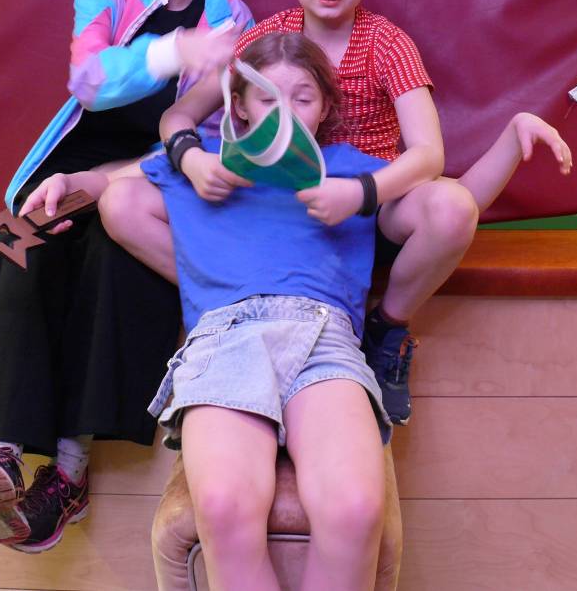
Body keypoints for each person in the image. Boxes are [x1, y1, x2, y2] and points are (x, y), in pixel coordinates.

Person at [102, 0, 571, 427]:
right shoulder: (265, 40)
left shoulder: (387, 44)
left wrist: (359, 193)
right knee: (122, 204)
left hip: (367, 203)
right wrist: (191, 161)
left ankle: (386, 329)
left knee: (452, 207)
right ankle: (229, 295)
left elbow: (428, 154)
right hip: (274, 208)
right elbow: (178, 116)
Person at [0, 0, 253, 554]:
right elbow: (90, 80)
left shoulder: (230, 15)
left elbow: (206, 137)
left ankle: (69, 471)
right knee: (12, 242)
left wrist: (109, 182)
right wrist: (176, 52)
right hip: (66, 168)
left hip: (151, 178)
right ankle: (4, 450)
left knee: (113, 266)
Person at [122, 32, 392, 590]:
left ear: (326, 108)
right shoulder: (206, 163)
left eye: (303, 98)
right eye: (268, 98)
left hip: (323, 335)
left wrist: (512, 142)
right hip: (228, 334)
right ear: (240, 105)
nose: (285, 112)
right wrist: (65, 181)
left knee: (356, 510)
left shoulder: (350, 169)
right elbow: (116, 193)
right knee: (222, 506)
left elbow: (447, 201)